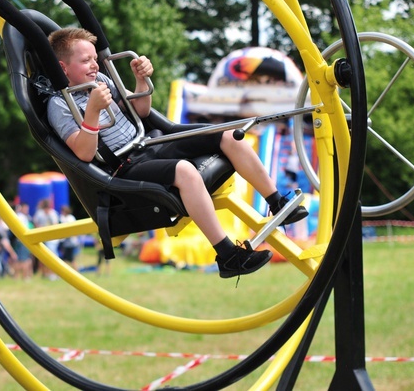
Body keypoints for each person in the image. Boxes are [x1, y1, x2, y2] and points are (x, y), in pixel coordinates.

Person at [46, 28, 308, 279]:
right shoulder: (58, 105)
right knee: (185, 170)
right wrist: (91, 112)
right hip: (121, 166)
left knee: (230, 134)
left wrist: (140, 81)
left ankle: (277, 202)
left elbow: (141, 111)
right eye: (85, 60)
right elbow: (82, 153)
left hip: (147, 143)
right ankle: (228, 256)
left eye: (94, 58)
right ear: (62, 67)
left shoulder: (101, 80)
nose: (94, 65)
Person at [32, 198, 60, 280]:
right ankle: (45, 273)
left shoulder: (53, 214)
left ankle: (54, 273)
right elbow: (36, 224)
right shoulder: (39, 214)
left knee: (52, 256)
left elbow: (55, 225)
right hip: (42, 238)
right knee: (43, 257)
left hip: (52, 239)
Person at [10, 203, 34, 281]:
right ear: (21, 208)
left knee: (24, 259)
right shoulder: (20, 216)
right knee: (22, 260)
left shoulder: (24, 217)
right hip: (21, 241)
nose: (27, 210)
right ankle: (21, 276)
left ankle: (19, 276)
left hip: (23, 240)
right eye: (26, 208)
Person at [58, 205, 80, 270]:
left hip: (70, 241)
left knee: (70, 259)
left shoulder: (70, 218)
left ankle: (74, 271)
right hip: (66, 241)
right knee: (67, 258)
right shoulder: (62, 218)